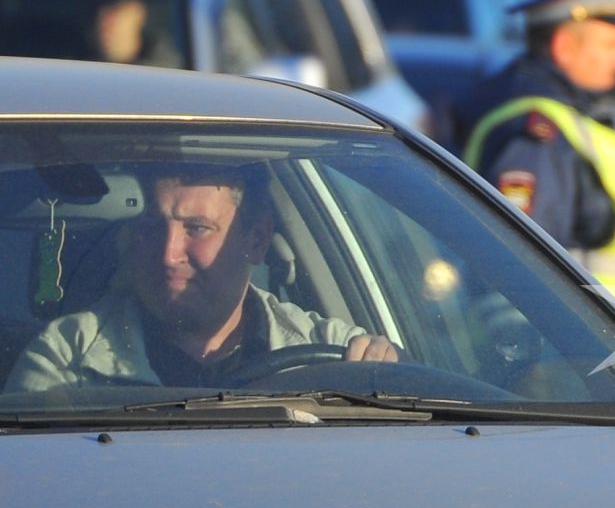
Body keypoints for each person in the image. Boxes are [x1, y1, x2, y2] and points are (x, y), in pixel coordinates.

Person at [7, 164, 397, 392]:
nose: (168, 253)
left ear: (256, 239)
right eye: (154, 227)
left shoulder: (334, 358)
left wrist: (386, 376)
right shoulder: (67, 361)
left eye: (196, 228)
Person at [450, 0, 615, 337]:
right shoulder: (537, 135)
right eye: (612, 46)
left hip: (603, 352)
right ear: (565, 46)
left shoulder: (568, 120)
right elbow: (520, 263)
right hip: (567, 359)